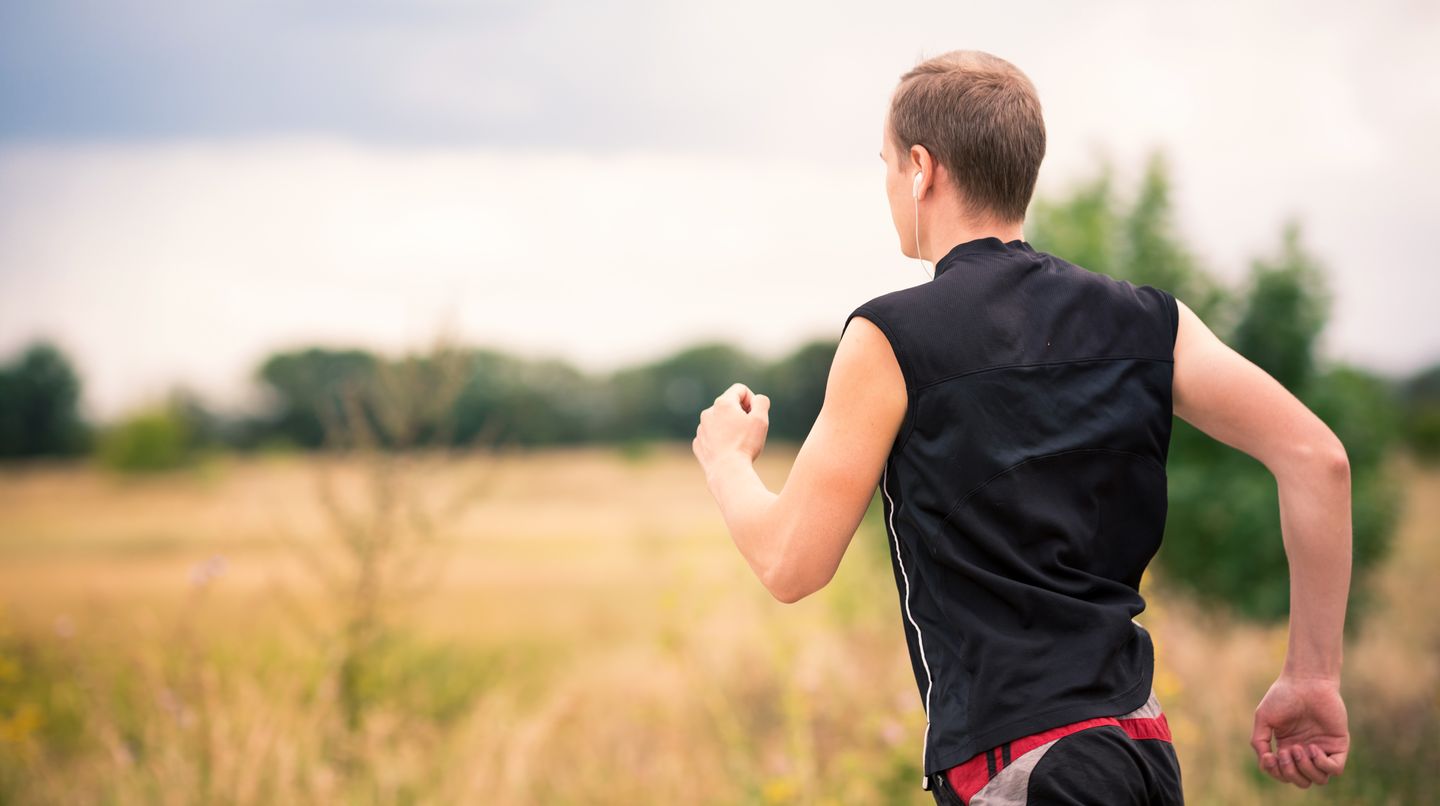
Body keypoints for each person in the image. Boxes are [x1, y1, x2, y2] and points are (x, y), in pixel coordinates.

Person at [691, 49, 1351, 804]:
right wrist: (1313, 676)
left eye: (883, 165)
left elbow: (790, 565)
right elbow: (1317, 458)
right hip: (1142, 749)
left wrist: (726, 463)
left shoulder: (890, 336)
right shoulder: (1149, 320)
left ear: (920, 168)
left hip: (1022, 764)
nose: (884, 186)